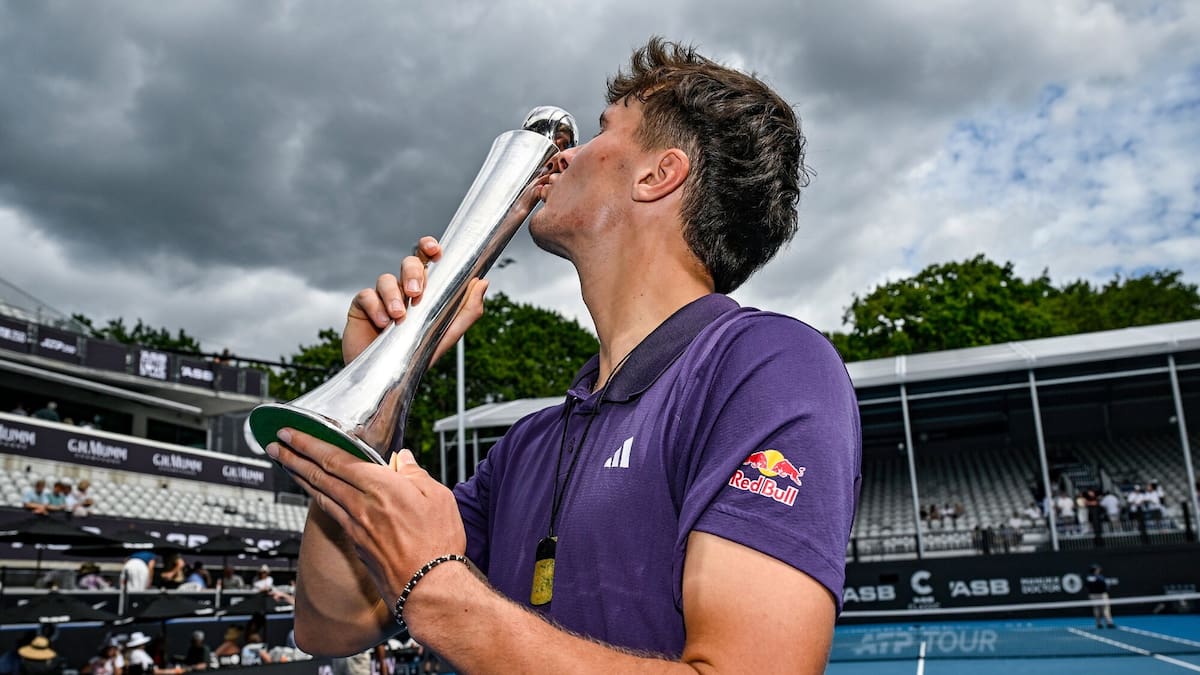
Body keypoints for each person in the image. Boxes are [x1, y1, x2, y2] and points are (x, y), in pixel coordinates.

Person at [271, 37, 860, 673]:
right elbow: (330, 625)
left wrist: (439, 588)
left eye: (603, 130)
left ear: (658, 174)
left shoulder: (767, 366)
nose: (566, 156)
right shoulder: (531, 443)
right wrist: (381, 383)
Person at [1085, 564, 1116, 629]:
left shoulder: (1088, 577)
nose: (1099, 570)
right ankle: (1109, 622)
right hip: (1101, 595)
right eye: (1098, 569)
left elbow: (1086, 585)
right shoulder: (1099, 577)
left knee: (1097, 609)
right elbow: (1104, 584)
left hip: (1093, 595)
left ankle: (1099, 623)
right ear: (1095, 570)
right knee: (1105, 609)